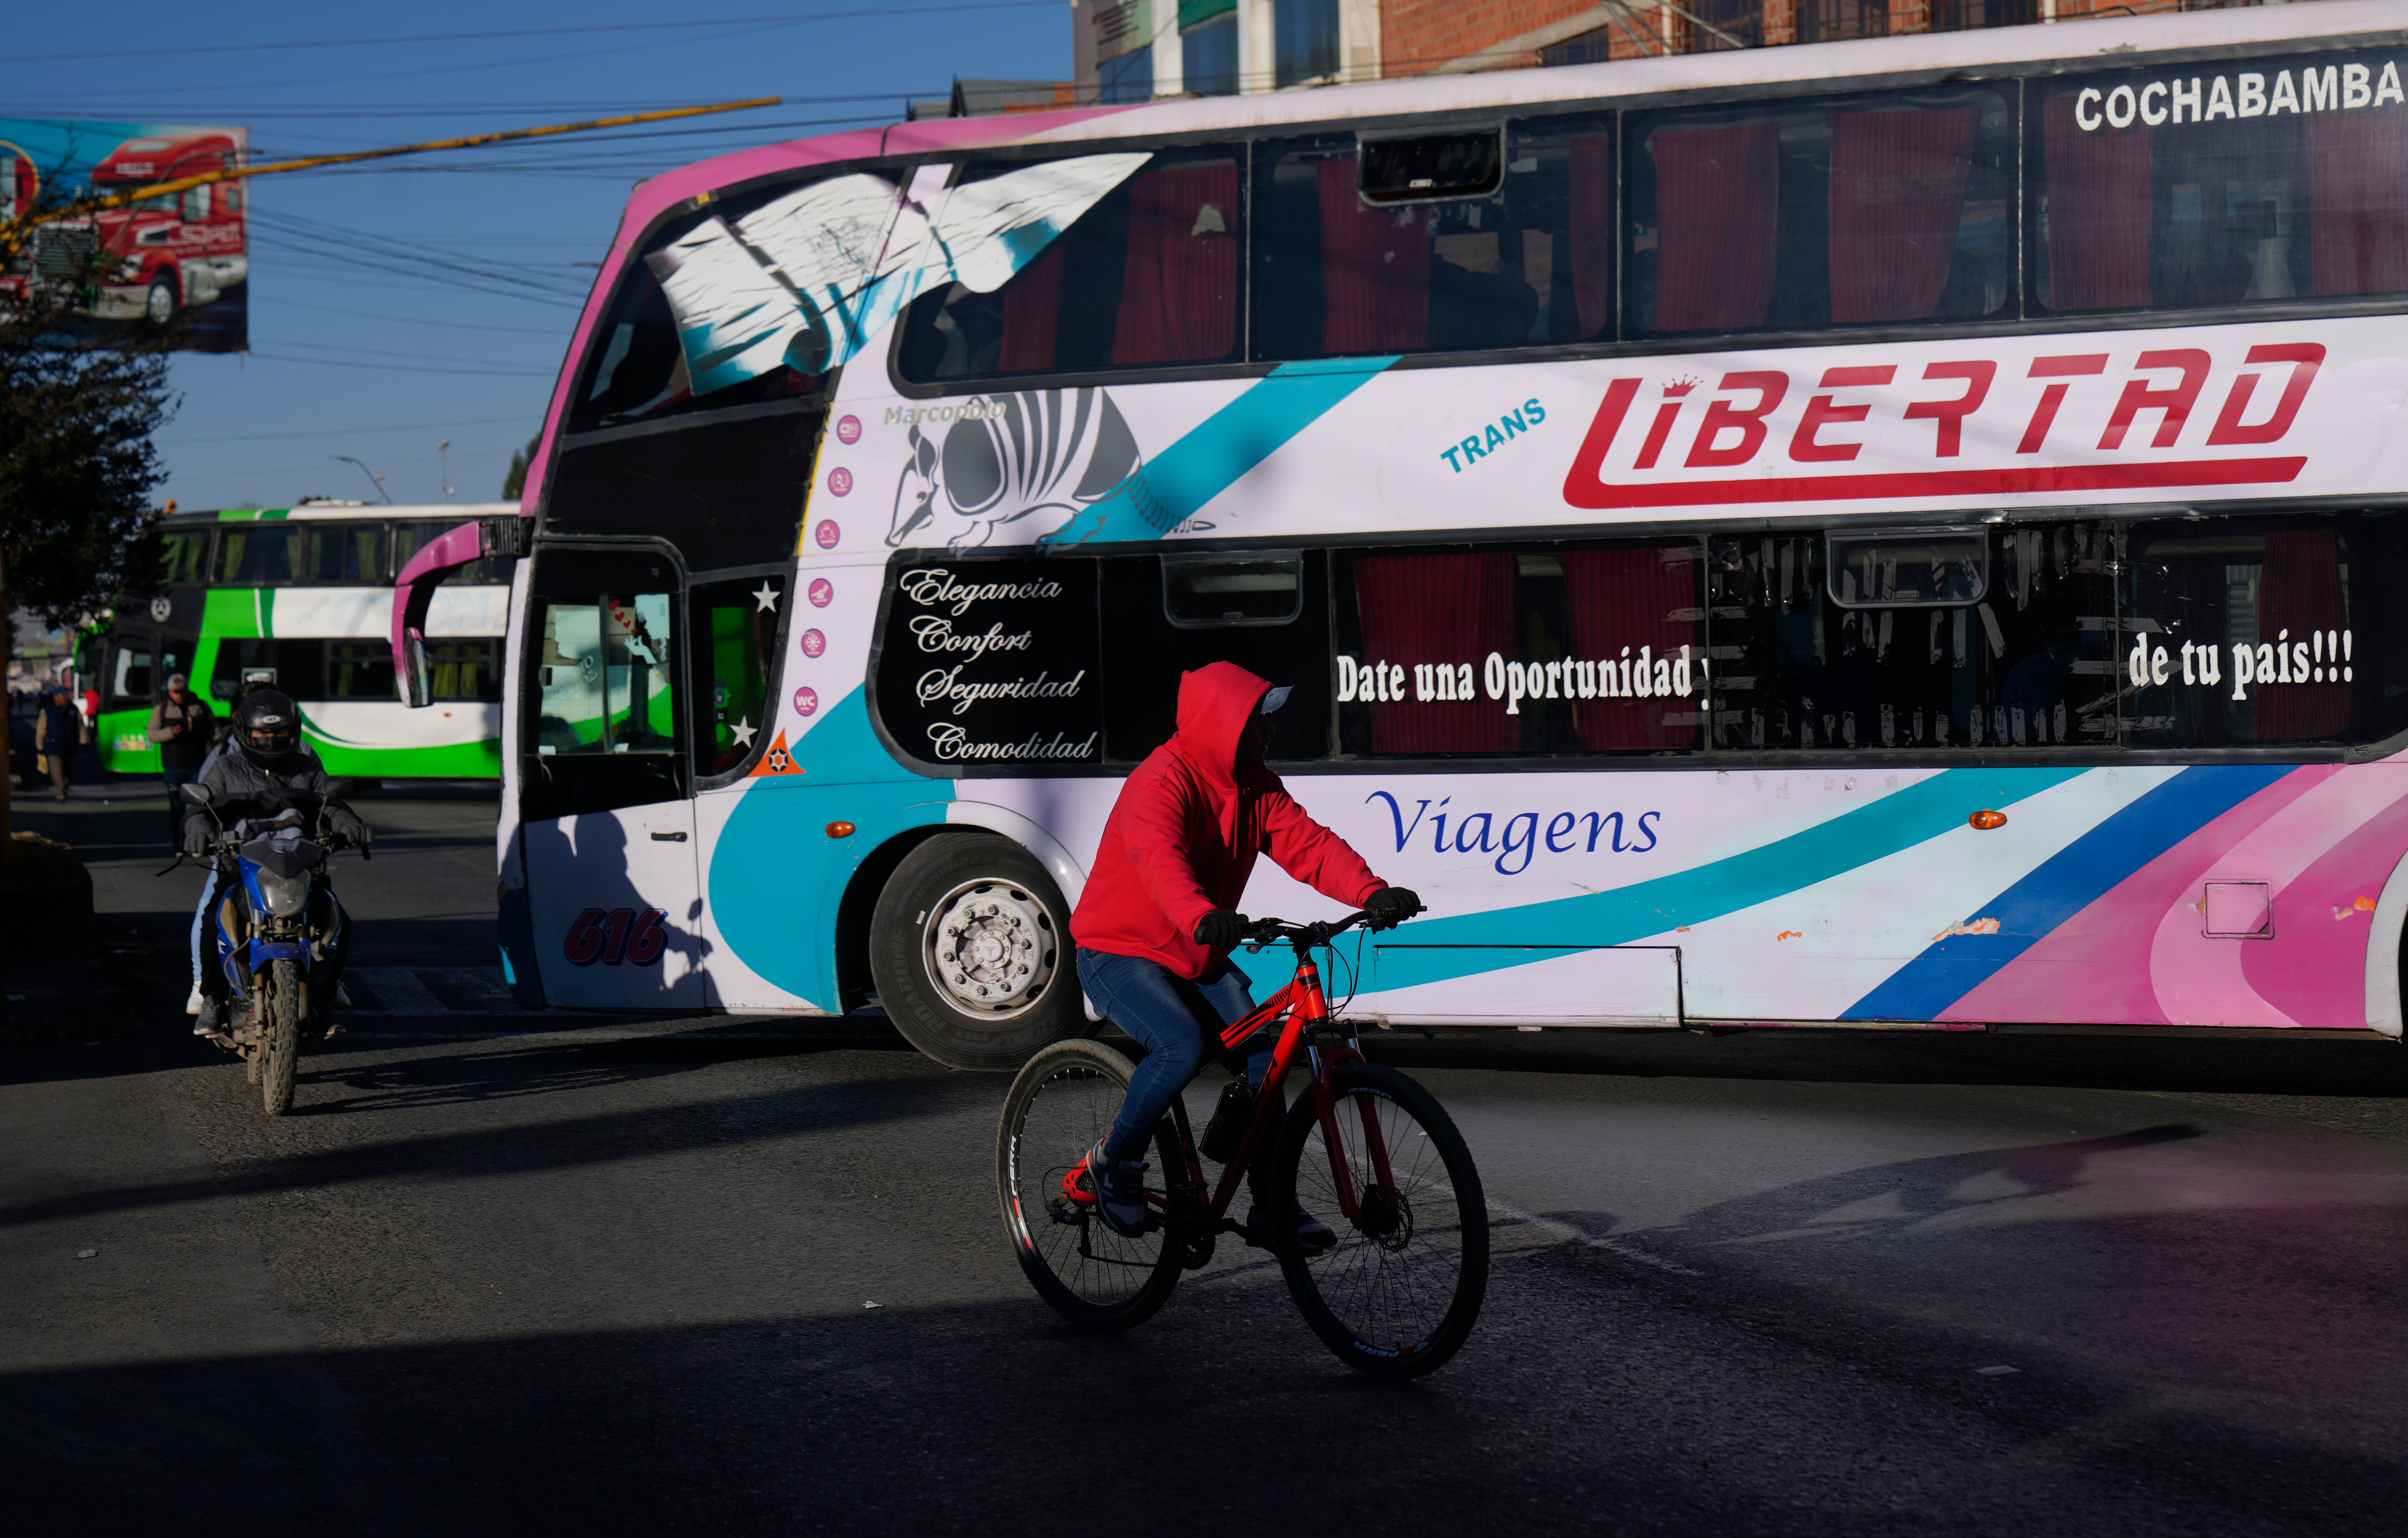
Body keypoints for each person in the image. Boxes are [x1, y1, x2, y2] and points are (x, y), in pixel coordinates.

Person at [1070, 661, 1421, 1245]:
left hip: (1197, 953)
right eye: (1262, 721)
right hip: (1120, 949)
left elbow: (1308, 845)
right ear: (1225, 726)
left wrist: (1370, 889)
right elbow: (1162, 863)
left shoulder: (1256, 784)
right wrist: (1202, 915)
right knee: (1179, 1046)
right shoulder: (1160, 783)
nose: (1271, 732)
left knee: (1266, 1062)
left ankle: (1271, 1207)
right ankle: (1115, 1163)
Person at [183, 688, 371, 1034]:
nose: (270, 741)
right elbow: (201, 809)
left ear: (293, 731)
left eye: (279, 734)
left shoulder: (307, 766)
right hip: (242, 866)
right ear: (244, 732)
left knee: (338, 921)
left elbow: (331, 803)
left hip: (300, 866)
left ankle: (325, 999)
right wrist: (197, 830)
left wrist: (349, 825)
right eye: (262, 734)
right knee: (212, 921)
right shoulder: (226, 766)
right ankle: (212, 998)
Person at [148, 673, 214, 847]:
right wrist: (170, 733)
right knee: (177, 807)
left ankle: (197, 840)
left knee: (198, 806)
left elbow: (215, 733)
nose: (180, 696)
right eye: (176, 692)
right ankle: (178, 841)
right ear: (169, 692)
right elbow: (152, 735)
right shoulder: (161, 710)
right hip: (173, 767)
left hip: (198, 765)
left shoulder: (201, 707)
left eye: (182, 691)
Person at [33, 683, 79, 802]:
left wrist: (84, 740)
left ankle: (63, 787)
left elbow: (81, 726)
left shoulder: (73, 709)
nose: (66, 697)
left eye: (66, 695)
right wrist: (40, 746)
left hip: (70, 745)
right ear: (56, 697)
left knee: (70, 772)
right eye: (63, 695)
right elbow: (41, 730)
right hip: (54, 745)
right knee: (57, 771)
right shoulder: (47, 711)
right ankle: (61, 794)